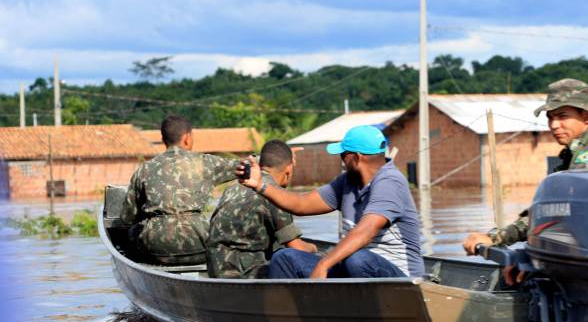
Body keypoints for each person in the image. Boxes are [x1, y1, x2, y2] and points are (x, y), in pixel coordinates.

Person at [461, 78, 588, 283]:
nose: (554, 125)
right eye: (550, 118)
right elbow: (551, 214)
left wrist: (497, 238)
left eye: (562, 116)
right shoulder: (577, 153)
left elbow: (558, 214)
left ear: (586, 117)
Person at [237, 125, 424, 279]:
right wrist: (260, 185)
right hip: (351, 268)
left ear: (356, 158)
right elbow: (302, 204)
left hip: (399, 277)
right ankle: (288, 320)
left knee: (357, 260)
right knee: (284, 257)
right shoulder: (347, 182)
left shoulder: (390, 181)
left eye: (343, 155)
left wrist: (325, 263)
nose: (341, 160)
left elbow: (366, 231)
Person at [121, 114, 241, 265]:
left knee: (131, 232)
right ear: (187, 138)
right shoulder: (205, 162)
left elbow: (127, 217)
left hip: (155, 249)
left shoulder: (144, 169)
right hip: (199, 244)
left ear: (164, 140)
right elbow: (245, 167)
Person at [206, 140, 317, 278]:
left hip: (215, 267)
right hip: (244, 273)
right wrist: (314, 249)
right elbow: (296, 247)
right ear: (288, 170)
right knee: (292, 261)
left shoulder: (235, 186)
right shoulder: (274, 193)